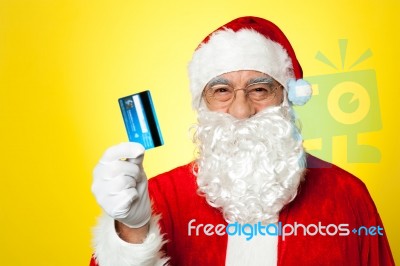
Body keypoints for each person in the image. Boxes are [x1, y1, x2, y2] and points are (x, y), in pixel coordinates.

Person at [90, 16, 394, 266]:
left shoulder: (347, 196)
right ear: (202, 103)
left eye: (259, 90)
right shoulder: (157, 198)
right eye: (222, 91)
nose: (241, 110)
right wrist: (132, 227)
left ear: (286, 99)